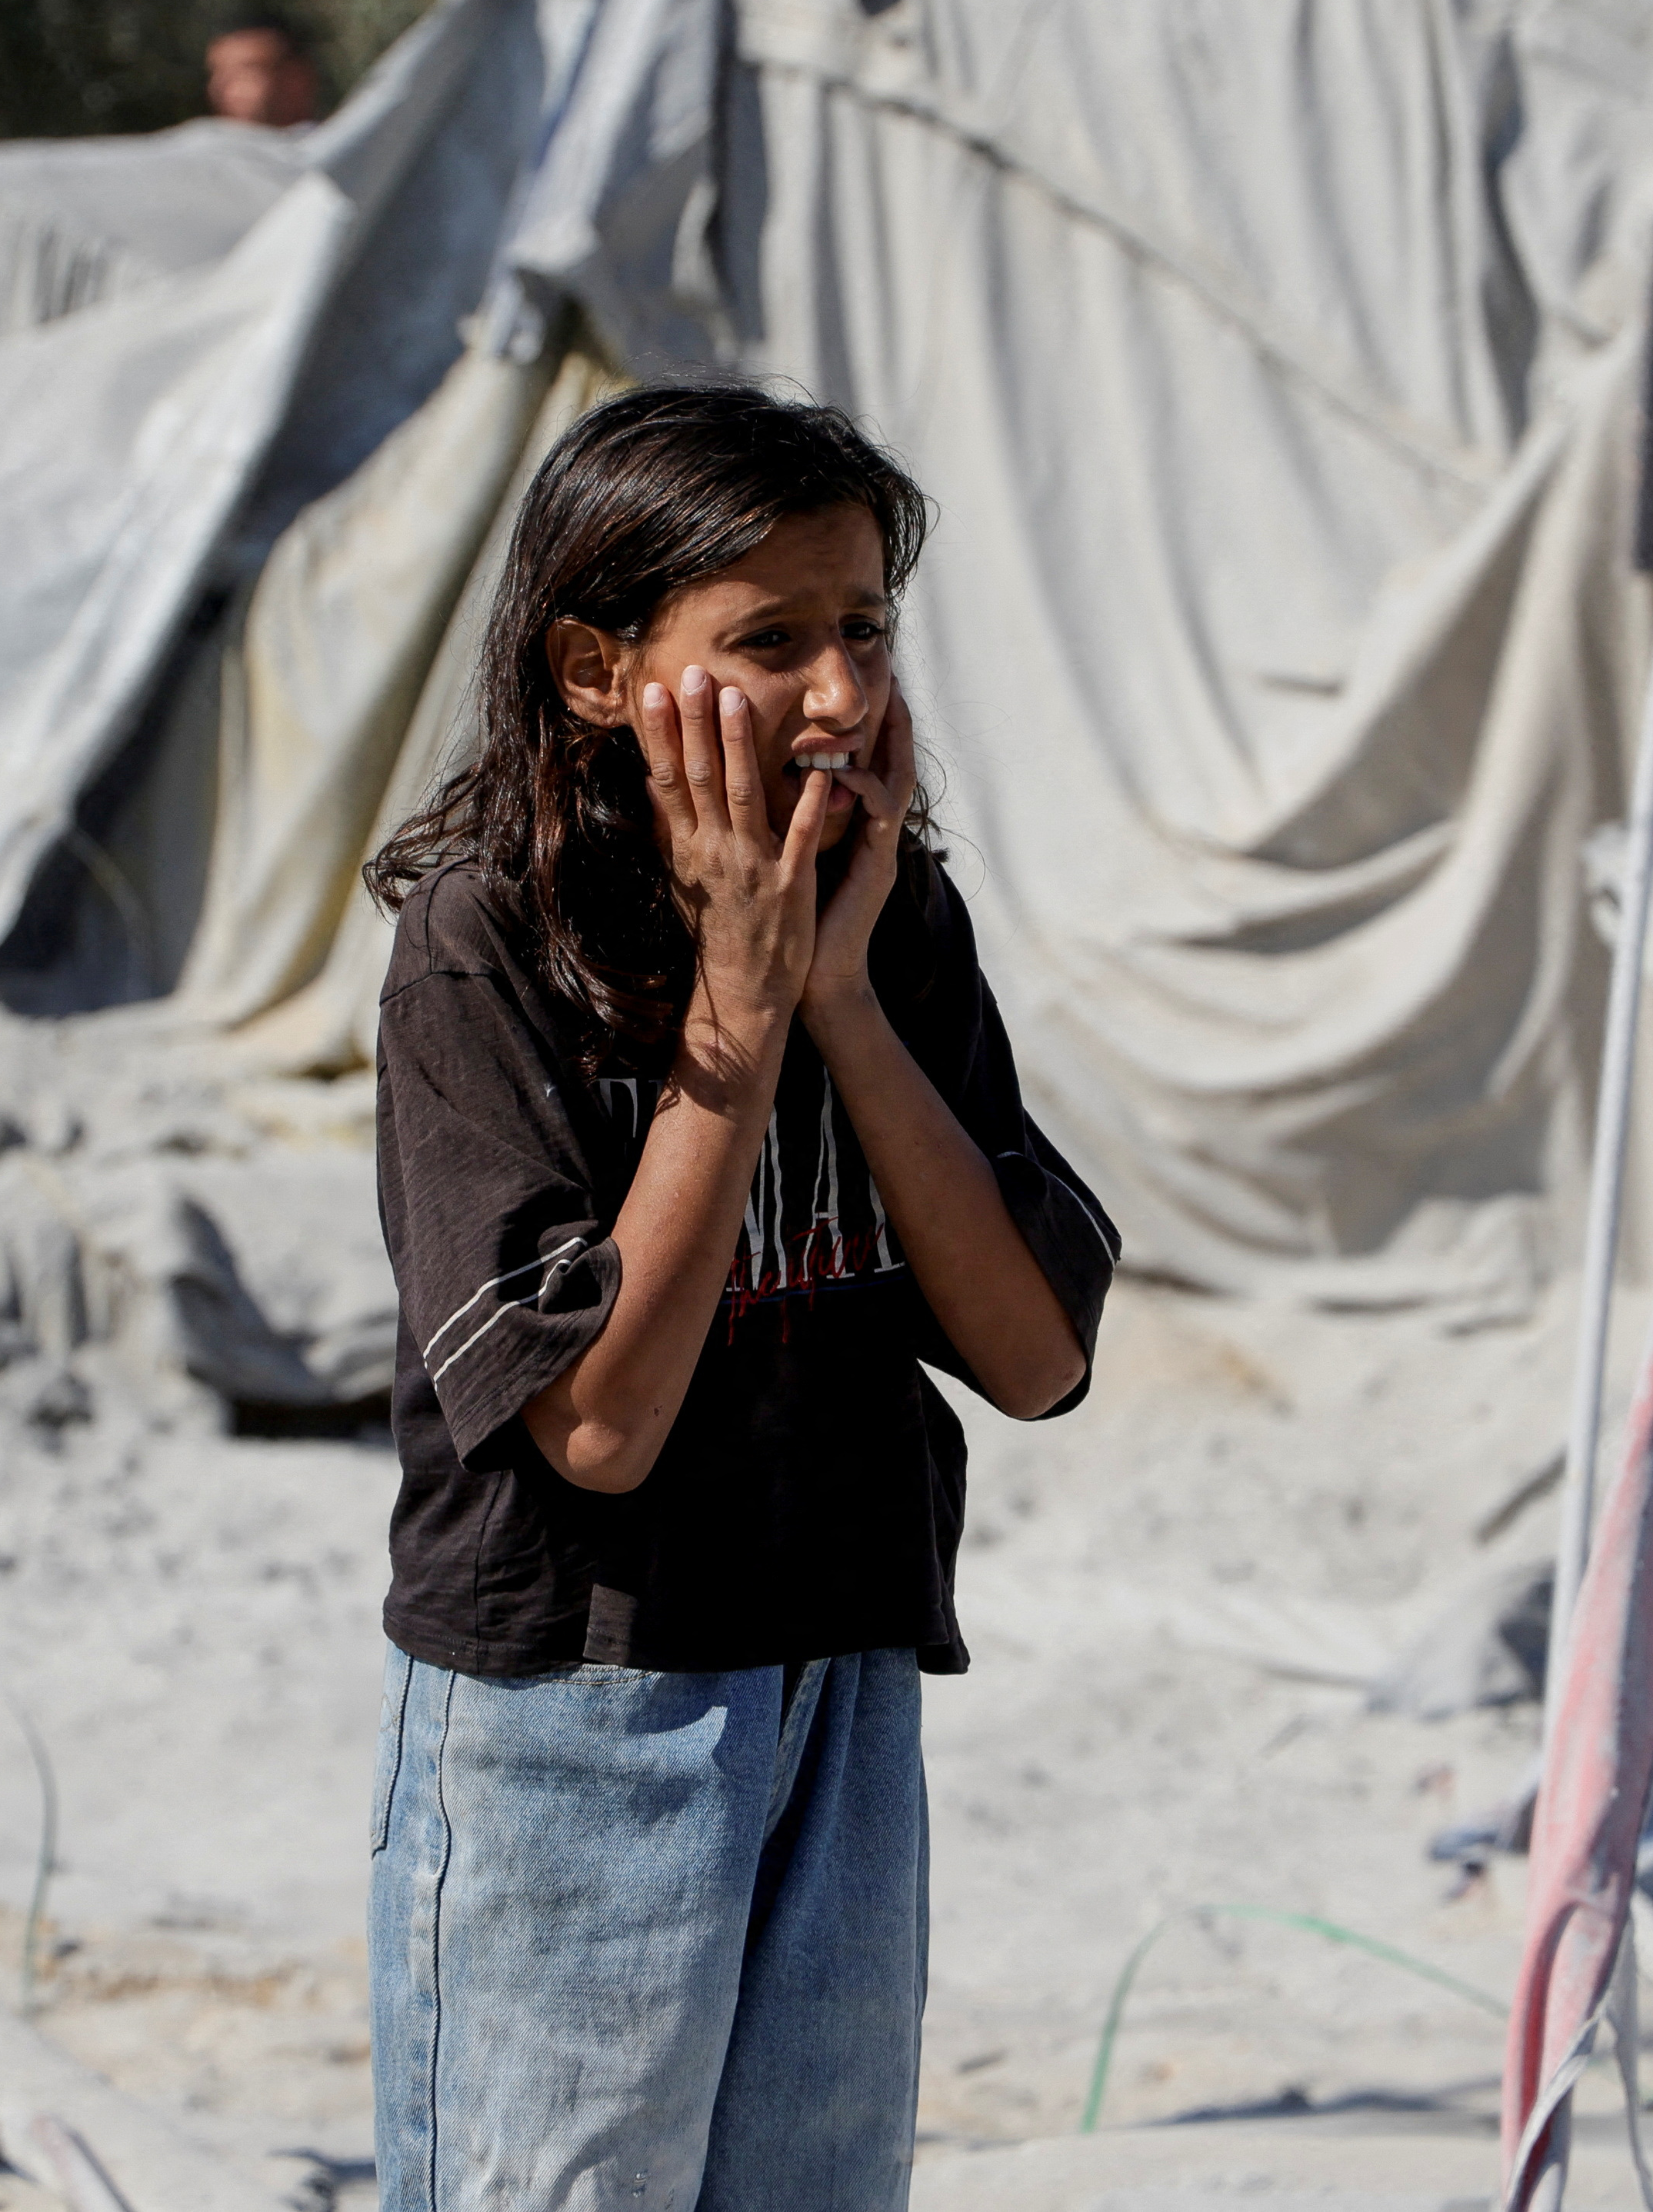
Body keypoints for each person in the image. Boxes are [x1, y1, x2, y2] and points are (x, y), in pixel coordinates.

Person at [360, 384, 1118, 2209]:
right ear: (597, 670)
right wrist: (733, 1008)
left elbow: (1032, 1352)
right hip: (574, 1701)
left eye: (861, 626)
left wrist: (834, 994)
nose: (841, 692)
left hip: (837, 1668)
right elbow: (598, 1424)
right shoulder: (485, 942)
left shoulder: (887, 922)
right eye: (766, 640)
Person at [204, 13, 322, 128]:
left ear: (296, 78)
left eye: (244, 71)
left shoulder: (333, 141)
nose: (221, 86)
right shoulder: (198, 142)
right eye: (217, 73)